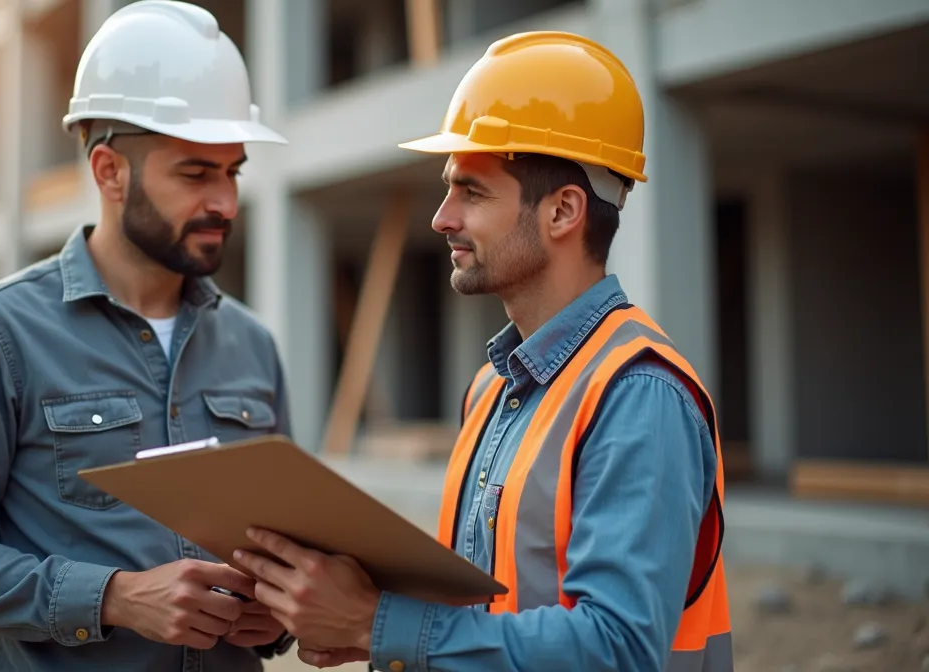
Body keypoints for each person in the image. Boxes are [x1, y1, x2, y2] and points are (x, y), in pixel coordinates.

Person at [233, 31, 734, 672]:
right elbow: (488, 612)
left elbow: (619, 649)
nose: (442, 217)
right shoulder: (493, 388)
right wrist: (351, 611)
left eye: (472, 192)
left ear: (563, 212)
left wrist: (376, 620)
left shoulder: (639, 394)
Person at [0, 2, 298, 669]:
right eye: (196, 173)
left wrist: (275, 613)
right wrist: (113, 597)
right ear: (109, 171)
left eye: (233, 171)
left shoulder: (252, 344)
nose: (224, 201)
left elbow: (285, 542)